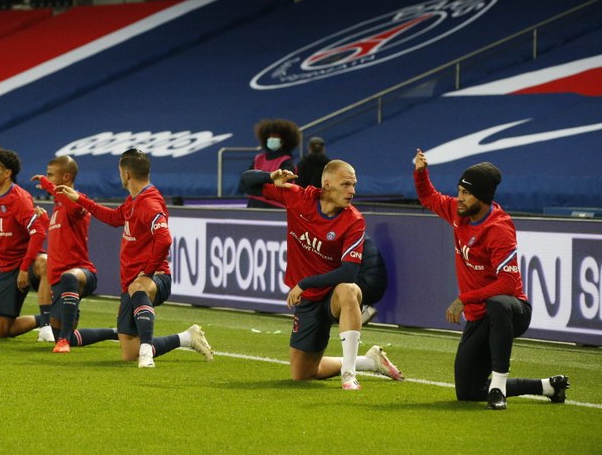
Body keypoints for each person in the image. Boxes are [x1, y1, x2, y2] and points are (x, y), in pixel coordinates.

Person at [412, 149, 570, 409]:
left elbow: (508, 285)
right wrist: (421, 172)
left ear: (483, 197)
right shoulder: (458, 212)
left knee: (497, 303)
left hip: (512, 311)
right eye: (459, 191)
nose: (459, 198)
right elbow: (428, 197)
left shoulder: (498, 228)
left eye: (466, 193)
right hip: (479, 316)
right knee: (468, 391)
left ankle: (498, 386)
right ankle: (549, 386)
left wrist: (464, 298)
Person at [239, 161, 403, 390]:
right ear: (327, 184)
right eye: (345, 184)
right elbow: (246, 181)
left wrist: (304, 283)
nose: (352, 191)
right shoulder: (298, 198)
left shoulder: (353, 219)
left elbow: (349, 271)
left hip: (331, 294)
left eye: (354, 185)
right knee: (302, 374)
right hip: (308, 299)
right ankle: (368, 361)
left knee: (349, 290)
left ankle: (349, 374)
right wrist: (270, 177)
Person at [54, 148, 214, 368]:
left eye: (120, 172)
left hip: (155, 278)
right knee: (129, 352)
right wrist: (80, 199)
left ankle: (147, 354)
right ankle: (187, 337)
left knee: (138, 288)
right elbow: (112, 217)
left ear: (126, 174)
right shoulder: (133, 201)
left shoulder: (149, 202)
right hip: (132, 281)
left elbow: (165, 239)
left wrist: (148, 272)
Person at [0, 148, 51, 338]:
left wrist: (25, 268)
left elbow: (38, 232)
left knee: (45, 263)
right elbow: (0, 238)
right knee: (0, 332)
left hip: (27, 264)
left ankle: (47, 325)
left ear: (7, 173)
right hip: (8, 269)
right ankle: (51, 319)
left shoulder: (19, 198)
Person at [30, 156, 98, 354]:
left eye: (50, 175)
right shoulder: (59, 208)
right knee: (62, 331)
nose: (46, 178)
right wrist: (44, 221)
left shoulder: (78, 199)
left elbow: (76, 208)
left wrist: (49, 187)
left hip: (81, 273)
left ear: (66, 176)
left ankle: (64, 341)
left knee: (69, 277)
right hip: (58, 281)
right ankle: (116, 332)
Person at [238, 118, 300, 208]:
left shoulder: (287, 162)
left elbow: (279, 190)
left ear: (284, 140)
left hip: (276, 208)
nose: (271, 139)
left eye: (275, 137)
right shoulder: (258, 159)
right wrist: (267, 185)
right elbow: (244, 184)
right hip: (253, 205)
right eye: (269, 137)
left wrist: (256, 184)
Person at [357, 239, 388, 325]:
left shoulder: (351, 237)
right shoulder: (361, 236)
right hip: (377, 288)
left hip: (367, 287)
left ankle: (361, 307)